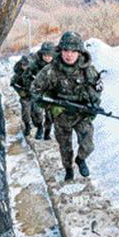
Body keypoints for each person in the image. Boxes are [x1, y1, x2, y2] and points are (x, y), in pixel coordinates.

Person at [30, 31, 103, 181]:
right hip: (61, 115)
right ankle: (68, 169)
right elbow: (35, 90)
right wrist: (52, 106)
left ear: (79, 52)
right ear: (60, 51)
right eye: (66, 51)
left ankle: (81, 159)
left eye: (73, 51)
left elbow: (96, 91)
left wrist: (92, 106)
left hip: (81, 114)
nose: (69, 55)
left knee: (88, 145)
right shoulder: (51, 70)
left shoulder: (87, 70)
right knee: (65, 147)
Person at [21, 42, 56, 140]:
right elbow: (25, 77)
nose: (47, 58)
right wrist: (33, 86)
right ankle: (39, 127)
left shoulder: (57, 64)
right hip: (38, 93)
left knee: (50, 114)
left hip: (51, 93)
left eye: (50, 56)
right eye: (45, 55)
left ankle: (47, 132)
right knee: (37, 112)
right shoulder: (34, 64)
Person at [10, 53, 34, 136]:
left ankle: (37, 123)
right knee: (26, 112)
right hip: (26, 96)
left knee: (37, 112)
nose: (26, 67)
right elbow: (13, 83)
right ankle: (27, 125)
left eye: (27, 65)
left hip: (35, 95)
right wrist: (21, 92)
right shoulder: (18, 74)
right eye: (24, 65)